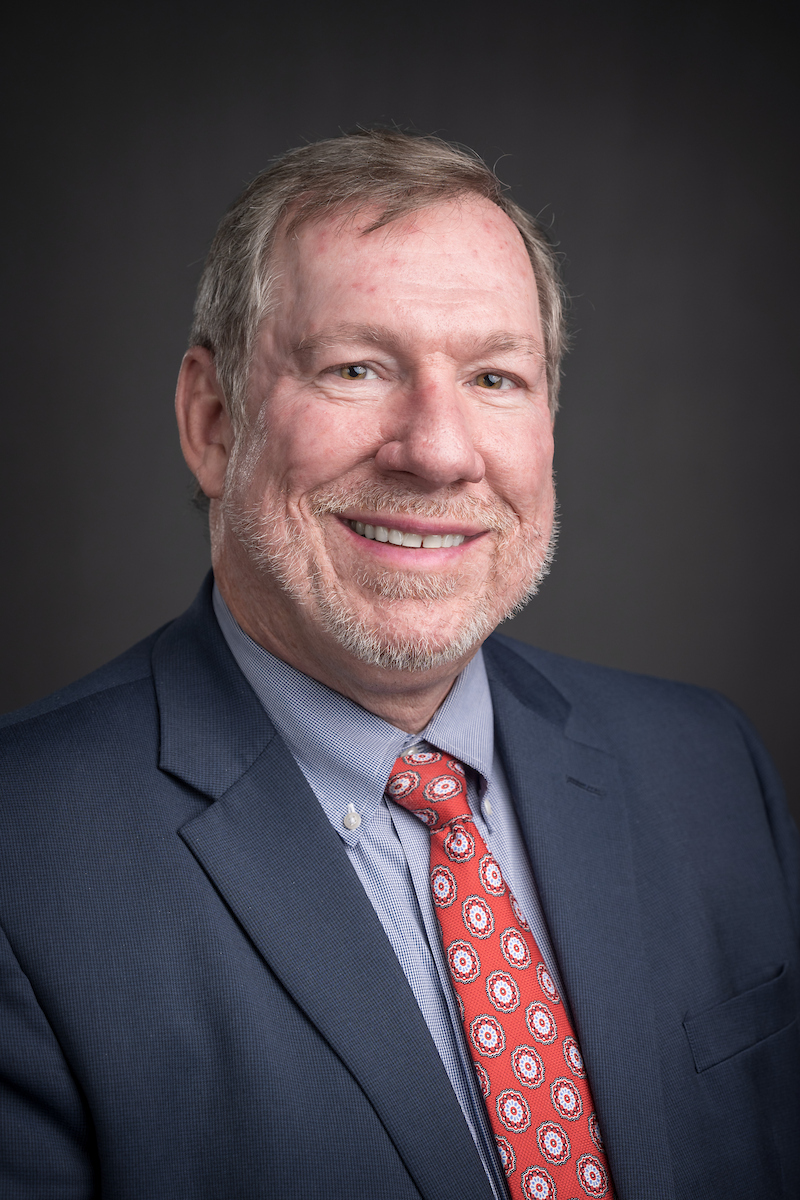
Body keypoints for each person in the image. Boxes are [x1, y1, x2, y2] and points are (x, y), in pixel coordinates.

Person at [0, 129, 797, 1200]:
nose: (438, 450)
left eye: (494, 377)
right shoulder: (24, 859)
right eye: (356, 369)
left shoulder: (708, 767)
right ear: (212, 420)